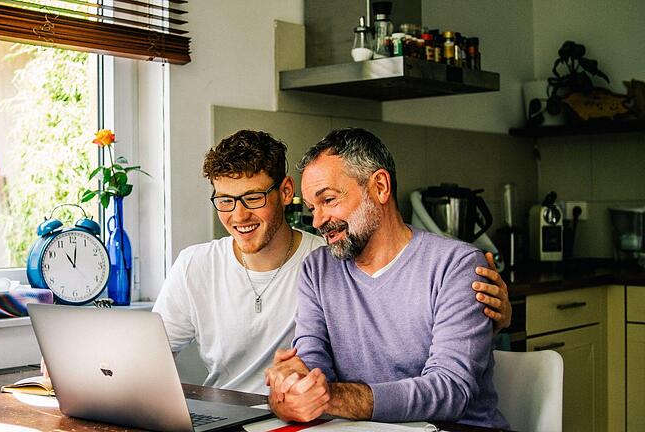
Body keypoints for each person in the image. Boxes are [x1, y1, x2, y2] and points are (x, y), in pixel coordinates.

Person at [151, 129, 511, 396]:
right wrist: (303, 383)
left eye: (253, 197)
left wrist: (484, 318)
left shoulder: (329, 256)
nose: (238, 214)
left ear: (284, 192)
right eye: (225, 200)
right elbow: (146, 357)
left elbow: (448, 379)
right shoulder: (321, 267)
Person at [265, 128, 509, 428]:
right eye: (311, 208)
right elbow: (314, 370)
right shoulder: (317, 270)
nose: (317, 221)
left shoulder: (456, 266)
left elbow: (451, 391)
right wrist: (293, 386)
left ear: (380, 186)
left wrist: (330, 397)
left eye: (328, 200)